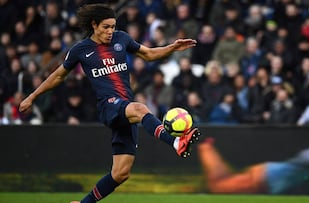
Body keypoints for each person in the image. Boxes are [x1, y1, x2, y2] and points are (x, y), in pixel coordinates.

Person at [18, 4, 200, 203]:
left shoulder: (122, 39)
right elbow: (58, 76)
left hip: (124, 109)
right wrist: (32, 96)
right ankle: (175, 142)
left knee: (120, 173)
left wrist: (172, 47)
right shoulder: (81, 49)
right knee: (140, 108)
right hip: (109, 106)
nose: (111, 31)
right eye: (106, 27)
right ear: (94, 25)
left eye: (113, 26)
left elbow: (148, 54)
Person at [198, 137, 309, 194]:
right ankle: (206, 148)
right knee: (218, 186)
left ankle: (207, 149)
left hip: (266, 177)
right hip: (265, 178)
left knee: (224, 182)